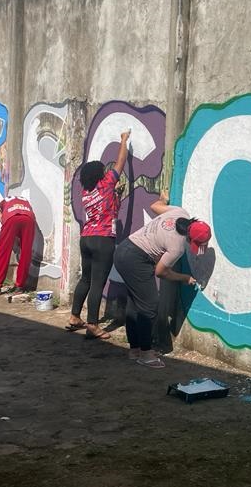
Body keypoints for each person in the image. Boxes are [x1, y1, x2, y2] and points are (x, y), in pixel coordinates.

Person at [112, 196, 211, 367]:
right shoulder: (177, 246)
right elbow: (161, 272)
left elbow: (154, 206)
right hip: (136, 259)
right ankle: (146, 354)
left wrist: (163, 200)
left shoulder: (180, 212)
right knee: (149, 305)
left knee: (135, 303)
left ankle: (135, 350)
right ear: (190, 238)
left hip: (124, 250)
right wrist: (184, 278)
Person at [67, 130, 130, 340]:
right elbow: (120, 161)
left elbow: (108, 206)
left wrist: (117, 195)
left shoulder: (86, 193)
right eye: (104, 170)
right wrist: (123, 140)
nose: (107, 171)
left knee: (85, 278)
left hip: (86, 238)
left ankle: (75, 317)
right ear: (101, 174)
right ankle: (93, 324)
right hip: (103, 240)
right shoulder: (107, 183)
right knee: (97, 283)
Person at [0, 194, 36, 296]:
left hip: (11, 218)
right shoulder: (25, 201)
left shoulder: (3, 202)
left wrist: (3, 221)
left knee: (3, 252)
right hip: (29, 219)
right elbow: (31, 216)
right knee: (26, 253)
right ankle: (20, 286)